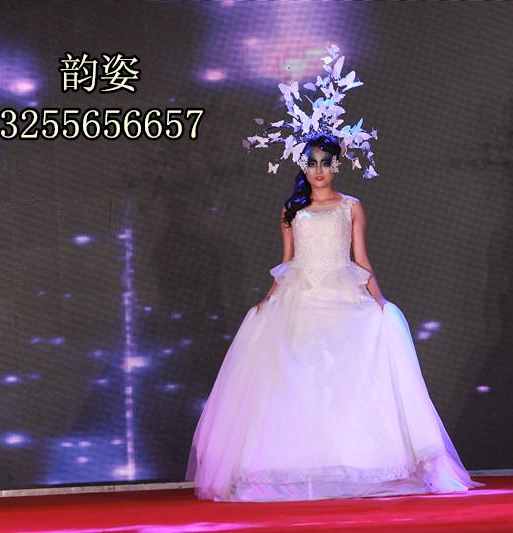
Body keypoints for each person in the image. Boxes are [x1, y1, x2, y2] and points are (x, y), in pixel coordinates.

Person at [184, 132, 485, 502]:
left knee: (348, 382)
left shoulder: (351, 207)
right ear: (302, 166)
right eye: (312, 163)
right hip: (300, 301)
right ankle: (293, 470)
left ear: (337, 165)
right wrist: (267, 300)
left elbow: (361, 258)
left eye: (325, 163)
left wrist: (379, 301)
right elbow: (288, 261)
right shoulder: (292, 210)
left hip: (344, 300)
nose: (319, 170)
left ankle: (358, 466)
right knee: (296, 383)